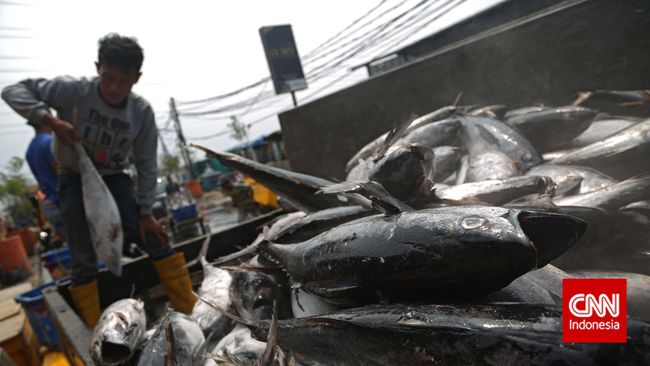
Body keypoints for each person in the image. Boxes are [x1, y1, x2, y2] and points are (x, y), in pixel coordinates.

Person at [1, 33, 195, 327]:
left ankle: (190, 308)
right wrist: (51, 121)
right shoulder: (72, 90)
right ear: (97, 67)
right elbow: (12, 90)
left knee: (154, 237)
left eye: (124, 80)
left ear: (137, 78)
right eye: (108, 77)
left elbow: (146, 164)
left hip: (115, 178)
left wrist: (145, 213)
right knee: (83, 261)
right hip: (72, 177)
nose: (115, 87)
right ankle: (93, 334)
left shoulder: (140, 112)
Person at [25, 121, 66, 242]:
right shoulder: (49, 142)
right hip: (65, 202)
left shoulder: (30, 150)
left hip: (51, 207)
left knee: (77, 249)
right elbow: (59, 170)